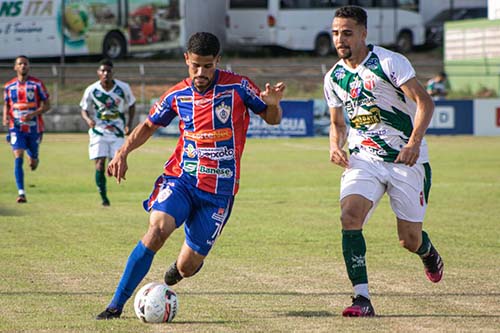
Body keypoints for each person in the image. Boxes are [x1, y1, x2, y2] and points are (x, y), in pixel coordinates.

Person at [96, 32, 285, 320]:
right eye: (195, 65)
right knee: (157, 230)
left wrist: (273, 104)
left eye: (208, 66)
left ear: (218, 61)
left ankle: (179, 270)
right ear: (186, 59)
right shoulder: (177, 94)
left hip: (219, 193)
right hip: (182, 180)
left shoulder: (238, 87)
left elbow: (272, 119)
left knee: (187, 267)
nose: (201, 72)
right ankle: (115, 305)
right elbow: (148, 125)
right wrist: (122, 152)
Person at [324, 6, 444, 317]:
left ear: (363, 33)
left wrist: (414, 143)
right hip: (363, 159)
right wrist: (335, 145)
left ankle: (427, 251)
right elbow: (337, 123)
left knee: (408, 239)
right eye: (336, 32)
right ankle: (361, 298)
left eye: (347, 33)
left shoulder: (389, 62)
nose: (340, 39)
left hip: (405, 161)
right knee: (349, 216)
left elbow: (424, 102)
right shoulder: (334, 76)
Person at [80, 59, 136, 206]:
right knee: (99, 164)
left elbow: (132, 104)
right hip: (98, 131)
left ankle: (107, 176)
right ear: (98, 73)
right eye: (102, 71)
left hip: (117, 131)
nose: (105, 73)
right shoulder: (92, 90)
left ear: (113, 73)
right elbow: (84, 109)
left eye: (108, 71)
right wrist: (88, 120)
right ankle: (104, 197)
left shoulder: (123, 88)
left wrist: (128, 124)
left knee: (115, 163)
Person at [3, 55, 51, 203]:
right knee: (18, 157)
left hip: (34, 128)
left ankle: (34, 157)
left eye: (25, 64)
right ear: (15, 67)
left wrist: (33, 114)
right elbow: (7, 104)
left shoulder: (37, 85)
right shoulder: (9, 86)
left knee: (33, 162)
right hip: (16, 127)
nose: (23, 66)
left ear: (28, 67)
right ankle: (21, 193)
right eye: (20, 64)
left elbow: (47, 105)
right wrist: (5, 117)